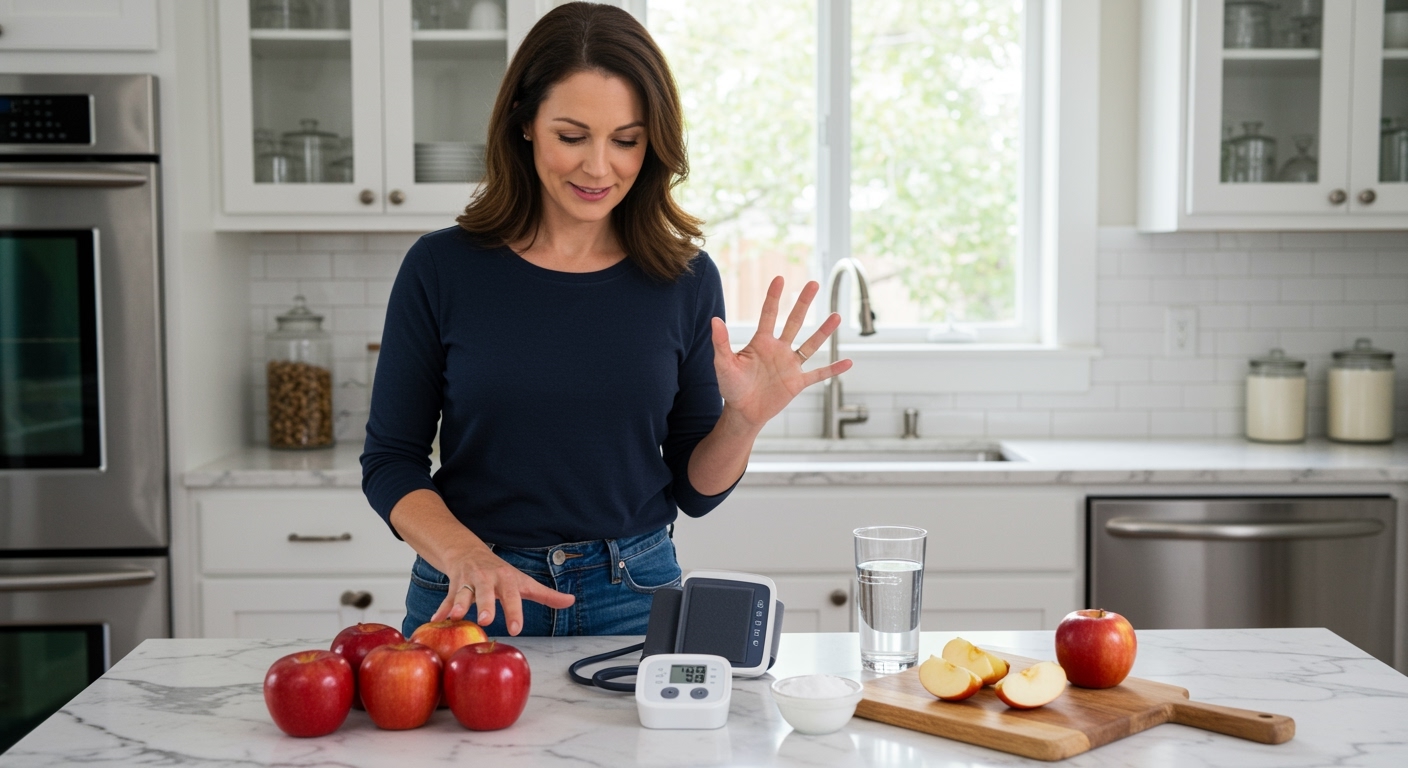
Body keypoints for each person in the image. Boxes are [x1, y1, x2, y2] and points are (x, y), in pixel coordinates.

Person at [361, 2, 851, 639]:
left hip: (634, 592)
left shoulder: (684, 278)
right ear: (525, 124)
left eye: (626, 140)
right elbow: (391, 461)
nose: (599, 166)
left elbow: (695, 492)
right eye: (572, 136)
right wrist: (466, 555)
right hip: (471, 592)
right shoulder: (442, 267)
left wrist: (744, 420)